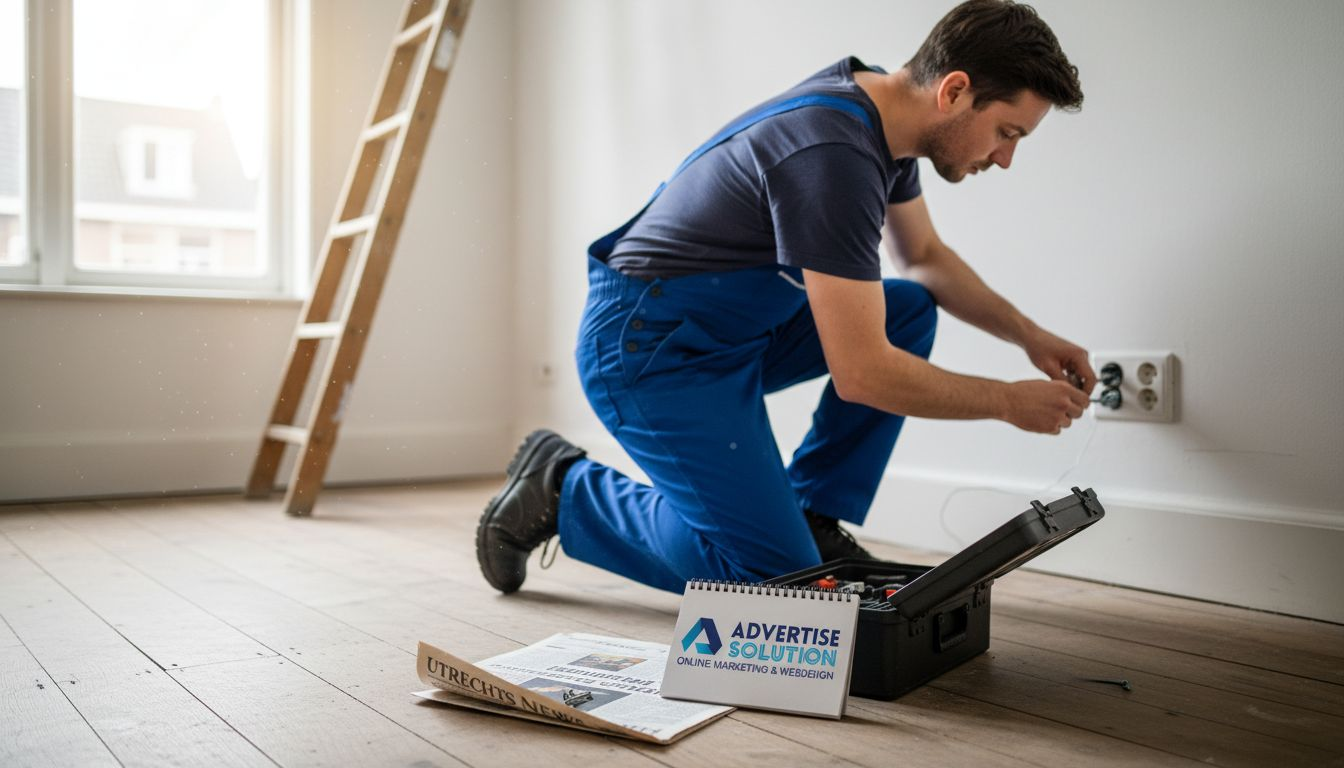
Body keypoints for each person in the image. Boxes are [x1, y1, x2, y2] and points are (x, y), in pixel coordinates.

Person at [477, 0, 1095, 594]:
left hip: (728, 332)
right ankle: (565, 489)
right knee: (773, 583)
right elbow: (863, 374)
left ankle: (811, 518)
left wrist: (1031, 337)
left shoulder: (886, 120)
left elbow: (925, 257)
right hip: (649, 348)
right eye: (1006, 132)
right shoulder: (834, 154)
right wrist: (1007, 402)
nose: (1005, 158)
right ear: (954, 91)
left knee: (907, 310)